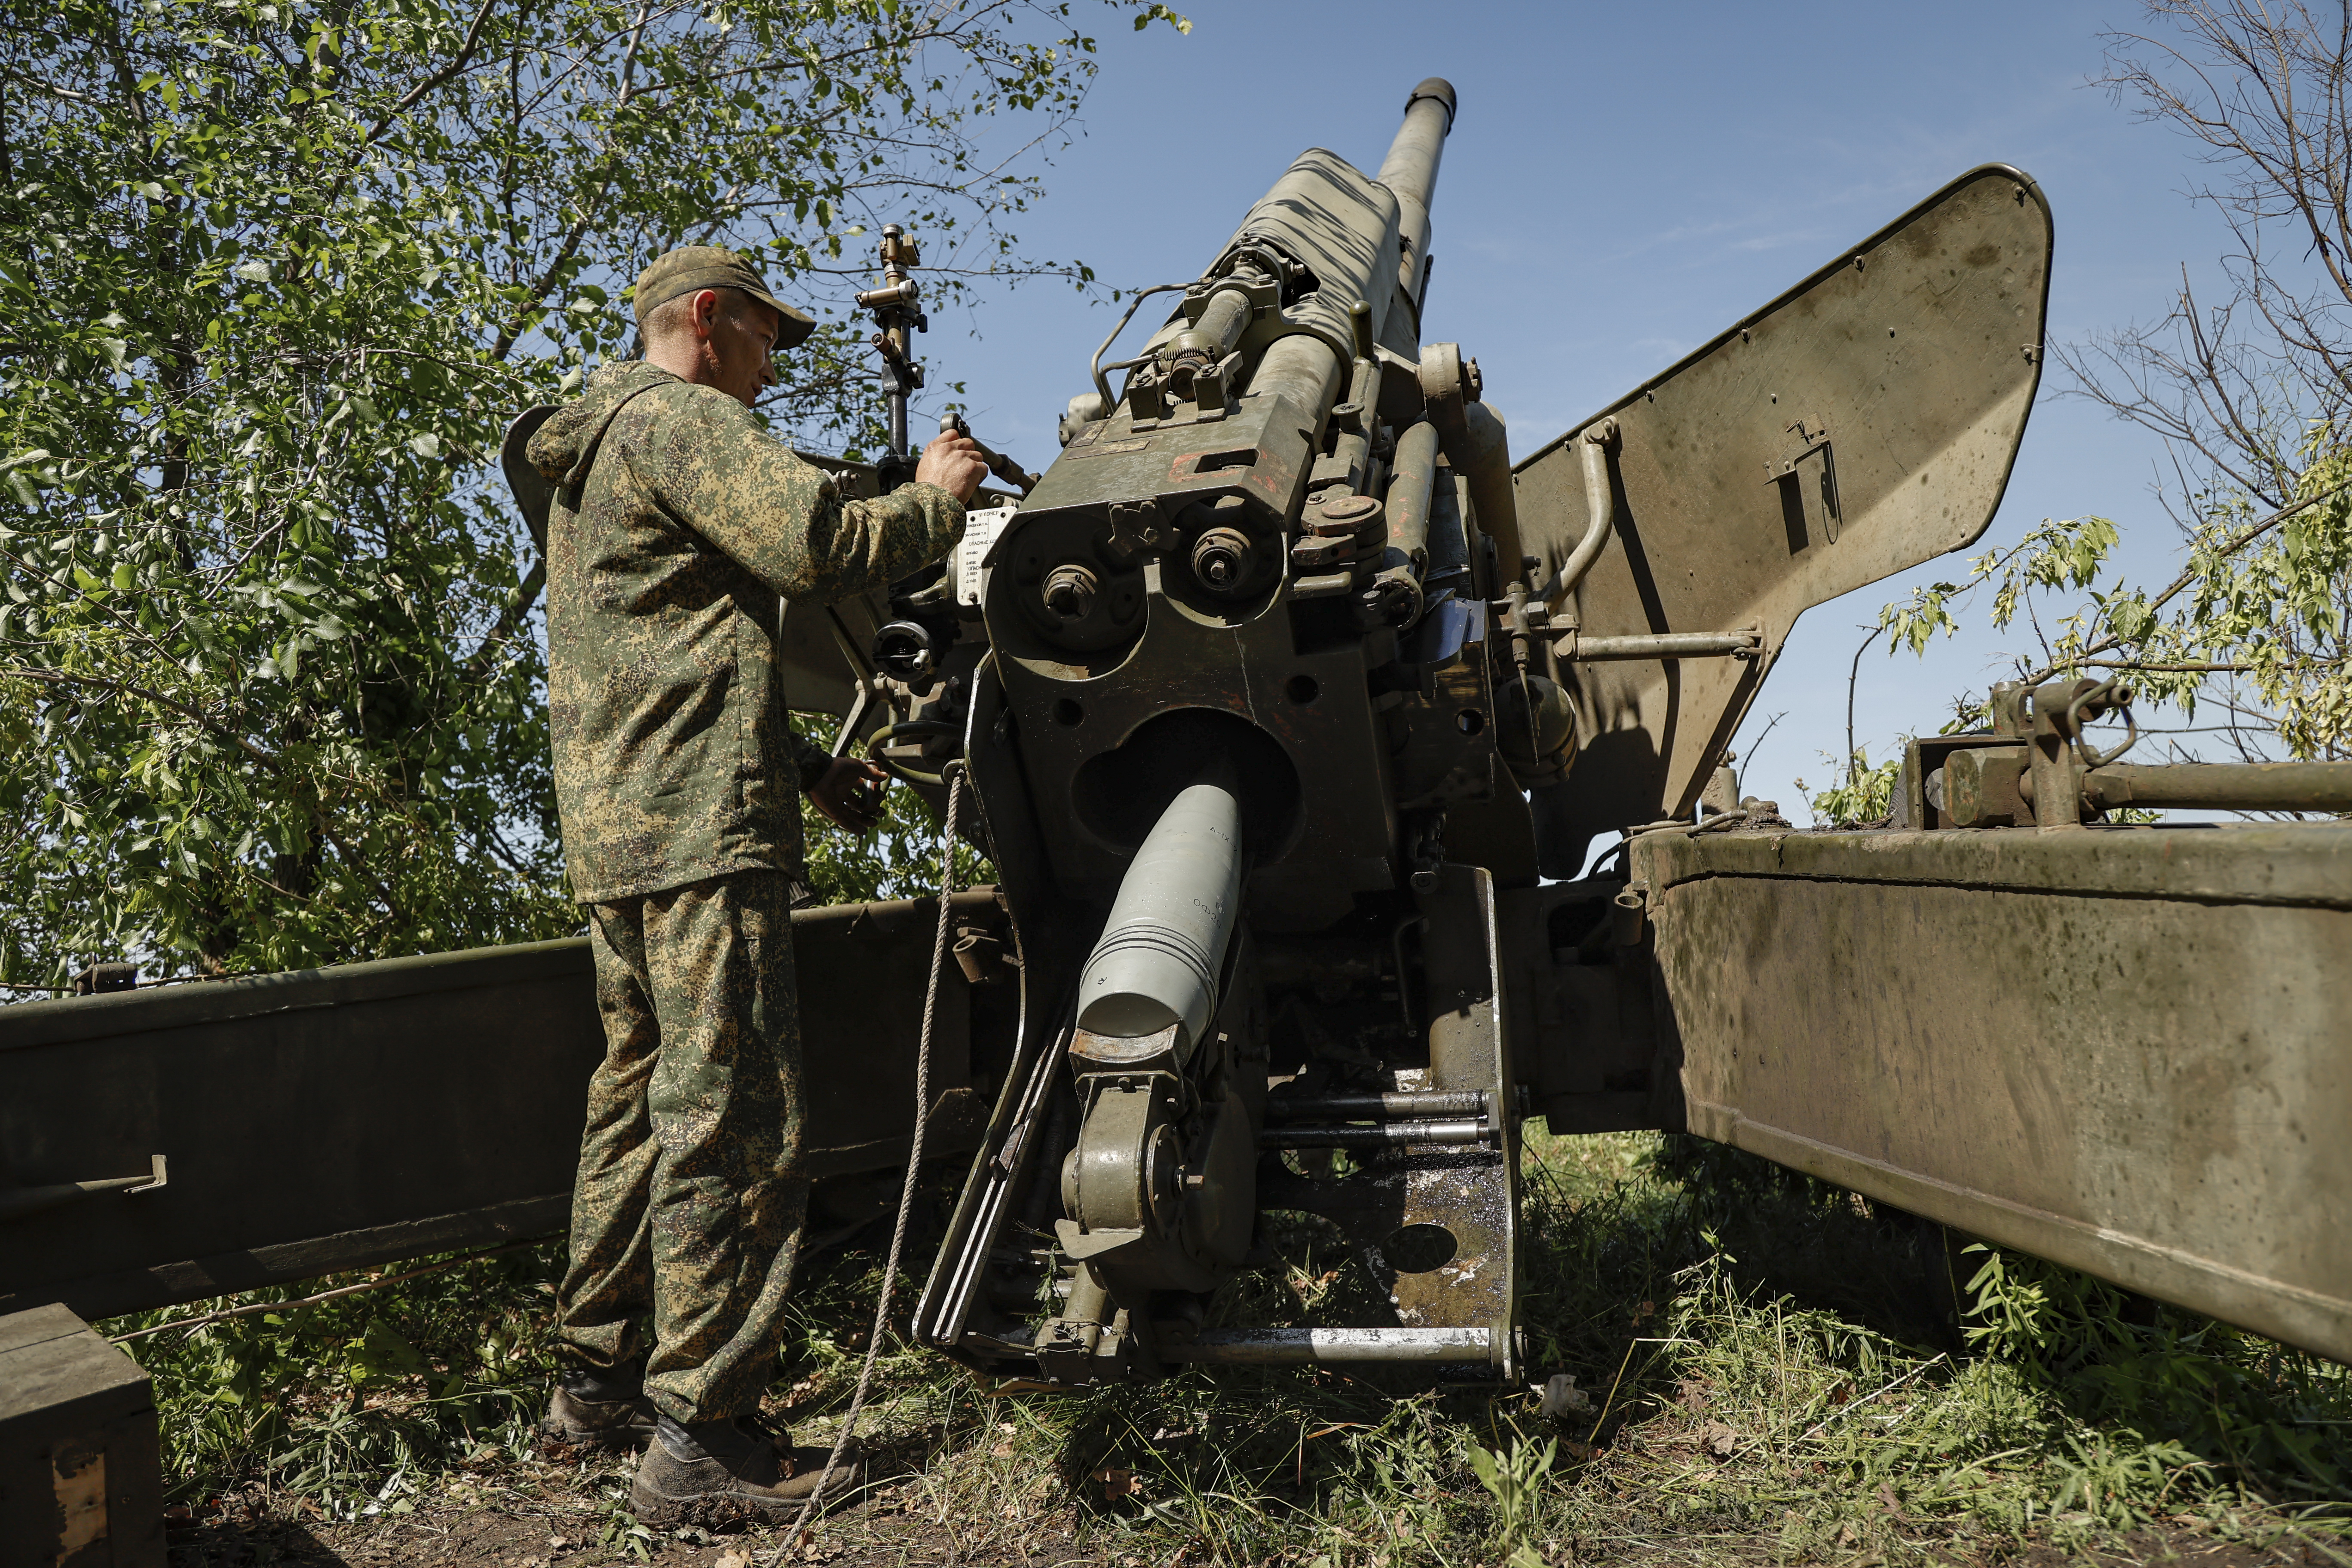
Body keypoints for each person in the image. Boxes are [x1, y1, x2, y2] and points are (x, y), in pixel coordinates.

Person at [524, 244, 987, 1522]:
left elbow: (660, 656)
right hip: (701, 840)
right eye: (766, 338)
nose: (771, 368)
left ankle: (596, 1386)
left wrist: (800, 768)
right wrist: (937, 500)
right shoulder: (683, 418)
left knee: (637, 1100)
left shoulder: (592, 449)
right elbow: (818, 540)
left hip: (621, 836)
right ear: (707, 319)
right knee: (731, 1115)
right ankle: (703, 1437)